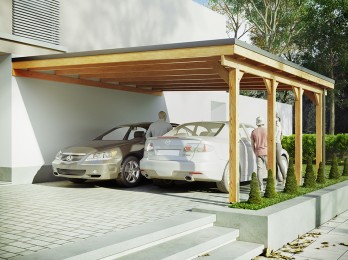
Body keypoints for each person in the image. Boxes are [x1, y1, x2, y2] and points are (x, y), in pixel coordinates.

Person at [251, 116, 267, 191]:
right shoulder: (267, 130)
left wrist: (255, 152)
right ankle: (271, 185)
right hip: (267, 152)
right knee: (270, 169)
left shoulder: (253, 131)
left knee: (259, 170)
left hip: (258, 152)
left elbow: (252, 144)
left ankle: (261, 187)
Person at [276, 112, 287, 185]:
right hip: (278, 143)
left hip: (276, 144)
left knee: (279, 161)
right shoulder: (279, 124)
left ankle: (285, 178)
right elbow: (281, 136)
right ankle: (278, 179)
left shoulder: (277, 124)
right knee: (275, 162)